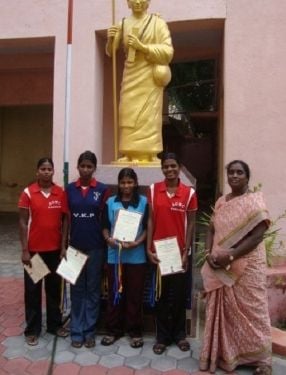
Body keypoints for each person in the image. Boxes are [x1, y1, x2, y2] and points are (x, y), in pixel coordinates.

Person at [199, 160, 272, 374]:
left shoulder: (254, 201)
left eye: (239, 172)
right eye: (231, 172)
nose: (234, 176)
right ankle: (228, 355)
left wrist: (231, 255)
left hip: (248, 264)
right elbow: (211, 228)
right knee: (228, 312)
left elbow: (257, 235)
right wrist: (208, 252)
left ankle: (263, 361)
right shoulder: (222, 201)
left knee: (254, 311)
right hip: (220, 263)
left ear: (247, 177)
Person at [106, 0, 174, 162]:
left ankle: (149, 154)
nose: (137, 2)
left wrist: (142, 47)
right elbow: (111, 52)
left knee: (148, 115)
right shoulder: (122, 23)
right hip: (130, 74)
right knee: (127, 111)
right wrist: (110, 39)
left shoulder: (157, 23)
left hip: (149, 76)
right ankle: (128, 153)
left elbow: (168, 52)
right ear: (128, 2)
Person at [147, 152, 198, 354]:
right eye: (166, 166)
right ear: (162, 169)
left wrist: (186, 252)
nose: (169, 170)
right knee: (161, 295)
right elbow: (150, 221)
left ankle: (179, 335)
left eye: (173, 166)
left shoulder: (189, 193)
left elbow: (192, 223)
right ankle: (162, 337)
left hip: (179, 253)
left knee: (178, 296)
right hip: (159, 253)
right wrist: (148, 248)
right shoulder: (153, 190)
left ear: (179, 168)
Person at [18, 157, 69, 346]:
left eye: (49, 169)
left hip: (54, 251)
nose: (46, 172)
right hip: (35, 253)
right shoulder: (28, 193)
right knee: (33, 292)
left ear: (53, 172)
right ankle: (32, 329)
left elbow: (65, 222)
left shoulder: (60, 193)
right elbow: (23, 223)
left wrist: (63, 246)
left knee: (54, 290)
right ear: (37, 171)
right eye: (43, 169)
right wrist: (24, 250)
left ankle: (54, 325)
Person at [64, 151, 109, 348]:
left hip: (96, 247)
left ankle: (90, 332)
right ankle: (76, 331)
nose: (85, 169)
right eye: (82, 165)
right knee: (76, 290)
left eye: (89, 166)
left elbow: (106, 220)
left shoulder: (102, 189)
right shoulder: (69, 189)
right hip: (74, 247)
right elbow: (66, 218)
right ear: (77, 167)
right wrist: (64, 245)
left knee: (92, 290)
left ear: (94, 168)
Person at [101, 168, 148, 348]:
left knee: (134, 296)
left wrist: (137, 243)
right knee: (115, 294)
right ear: (119, 184)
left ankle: (134, 331)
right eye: (123, 182)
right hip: (115, 256)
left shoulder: (144, 202)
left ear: (135, 183)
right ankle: (113, 330)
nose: (126, 185)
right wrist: (108, 239)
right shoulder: (111, 202)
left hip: (136, 257)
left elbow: (146, 228)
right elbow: (104, 226)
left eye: (129, 182)